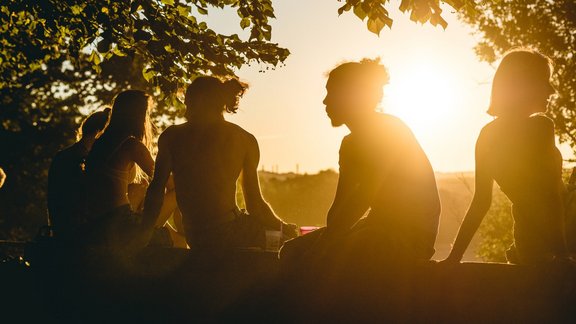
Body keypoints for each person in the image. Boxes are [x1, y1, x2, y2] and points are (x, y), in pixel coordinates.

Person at [280, 58, 441, 265]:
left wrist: (325, 244)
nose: (325, 101)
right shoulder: (349, 144)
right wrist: (325, 238)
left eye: (331, 92)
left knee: (331, 257)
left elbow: (363, 197)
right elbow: (339, 208)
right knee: (292, 250)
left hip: (410, 236)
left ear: (351, 96)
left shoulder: (388, 130)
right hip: (376, 227)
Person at [143, 76, 298, 250]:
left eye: (188, 104)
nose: (185, 112)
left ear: (200, 101)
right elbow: (255, 206)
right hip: (231, 232)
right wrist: (285, 229)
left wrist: (143, 231)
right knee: (289, 243)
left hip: (194, 235)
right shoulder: (244, 139)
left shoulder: (171, 136)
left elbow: (155, 190)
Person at [443, 49, 566, 265]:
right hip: (558, 236)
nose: (552, 90)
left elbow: (480, 203)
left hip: (528, 243)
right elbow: (551, 196)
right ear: (523, 85)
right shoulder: (541, 127)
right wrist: (562, 253)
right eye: (544, 81)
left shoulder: (487, 135)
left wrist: (454, 258)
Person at [84, 90, 177, 249]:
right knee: (181, 188)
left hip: (95, 223)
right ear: (139, 115)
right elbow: (165, 182)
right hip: (119, 223)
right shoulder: (131, 145)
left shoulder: (100, 144)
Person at [47, 108, 110, 240]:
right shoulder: (81, 160)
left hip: (64, 230)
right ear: (100, 133)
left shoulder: (64, 156)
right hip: (77, 232)